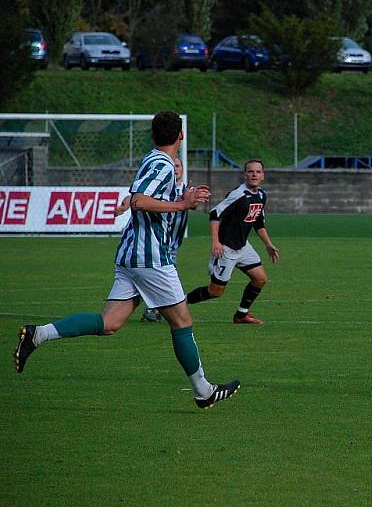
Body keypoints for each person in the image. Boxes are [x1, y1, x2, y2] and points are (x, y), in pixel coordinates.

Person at [13, 111, 240, 409]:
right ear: (181, 135)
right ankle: (203, 391)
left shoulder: (152, 159)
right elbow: (139, 200)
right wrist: (181, 203)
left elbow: (135, 195)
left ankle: (38, 334)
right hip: (151, 258)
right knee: (182, 321)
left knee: (110, 322)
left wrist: (181, 194)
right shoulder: (163, 163)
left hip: (132, 255)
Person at [186, 159, 279, 324]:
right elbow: (215, 214)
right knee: (215, 292)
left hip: (243, 247)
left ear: (263, 175)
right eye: (250, 171)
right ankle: (178, 304)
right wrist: (216, 242)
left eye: (257, 172)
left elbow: (258, 222)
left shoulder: (261, 195)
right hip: (226, 249)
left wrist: (268, 244)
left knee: (260, 279)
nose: (254, 175)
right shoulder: (238, 195)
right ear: (245, 175)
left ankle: (241, 315)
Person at [115, 156, 190, 323]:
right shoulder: (161, 186)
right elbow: (135, 198)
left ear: (183, 169)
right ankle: (154, 310)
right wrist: (124, 205)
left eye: (179, 166)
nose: (176, 169)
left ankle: (155, 309)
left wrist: (192, 198)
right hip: (156, 244)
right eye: (174, 165)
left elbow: (192, 204)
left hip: (171, 242)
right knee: (162, 279)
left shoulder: (185, 189)